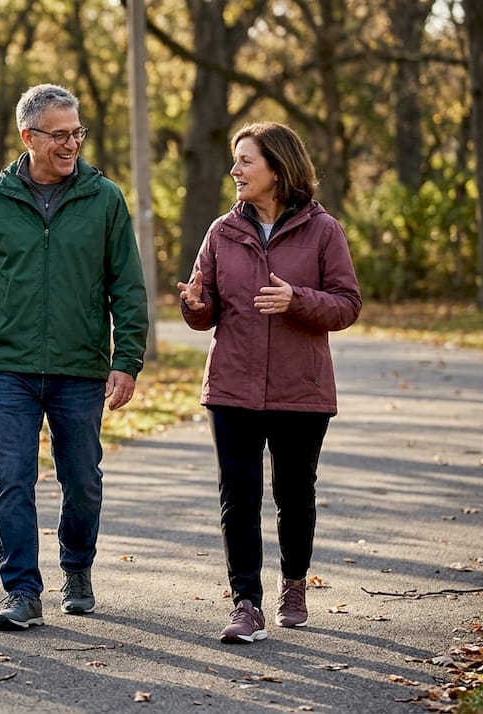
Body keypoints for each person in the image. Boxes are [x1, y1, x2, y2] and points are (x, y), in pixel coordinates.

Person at [0, 84, 148, 631]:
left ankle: (77, 569)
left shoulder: (104, 199)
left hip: (79, 366)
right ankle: (21, 591)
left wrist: (126, 358)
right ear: (28, 137)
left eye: (76, 132)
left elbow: (127, 288)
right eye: (59, 134)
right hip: (10, 367)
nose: (71, 144)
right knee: (13, 479)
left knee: (82, 479)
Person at [177, 121, 362, 644]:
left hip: (299, 389)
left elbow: (348, 304)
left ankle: (294, 585)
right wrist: (195, 304)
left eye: (245, 161)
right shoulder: (222, 231)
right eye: (235, 161)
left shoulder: (324, 231)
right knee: (237, 496)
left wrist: (297, 299)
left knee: (294, 496)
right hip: (232, 385)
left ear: (278, 170)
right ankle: (245, 603)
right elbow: (207, 305)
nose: (234, 170)